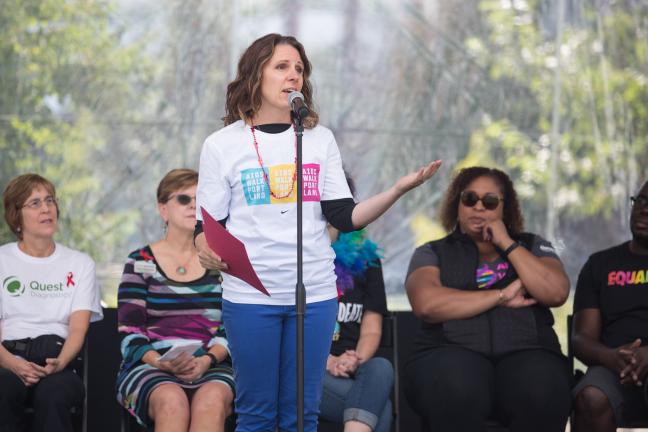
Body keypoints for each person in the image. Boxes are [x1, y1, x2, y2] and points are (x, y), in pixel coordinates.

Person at [194, 33, 441, 432]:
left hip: (314, 294)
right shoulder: (222, 145)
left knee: (301, 416)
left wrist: (397, 190)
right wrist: (205, 248)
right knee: (256, 414)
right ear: (255, 76)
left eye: (299, 69)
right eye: (281, 67)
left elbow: (344, 216)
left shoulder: (319, 139)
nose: (294, 76)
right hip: (250, 296)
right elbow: (206, 225)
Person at [403, 166, 572, 432]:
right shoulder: (432, 252)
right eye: (470, 199)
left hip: (528, 351)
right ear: (457, 204)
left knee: (542, 387)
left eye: (490, 201)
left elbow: (556, 292)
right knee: (455, 385)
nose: (479, 207)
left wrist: (507, 242)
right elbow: (427, 303)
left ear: (505, 209)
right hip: (450, 350)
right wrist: (501, 295)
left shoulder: (532, 245)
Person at [116, 169, 234, 431]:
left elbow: (233, 327)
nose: (193, 205)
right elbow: (129, 333)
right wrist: (160, 362)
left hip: (211, 364)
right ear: (163, 209)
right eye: (183, 199)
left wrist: (206, 360)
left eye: (198, 199)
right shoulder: (139, 262)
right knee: (172, 401)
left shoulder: (220, 262)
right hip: (150, 365)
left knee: (212, 400)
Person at [0, 173, 103, 432]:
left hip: (57, 360)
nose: (46, 208)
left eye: (50, 200)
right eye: (34, 203)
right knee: (4, 389)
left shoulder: (80, 264)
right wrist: (13, 364)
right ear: (16, 215)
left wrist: (59, 363)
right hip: (6, 358)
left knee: (54, 395)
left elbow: (78, 330)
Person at [571, 180, 648, 431]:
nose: (644, 209)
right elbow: (581, 338)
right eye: (641, 200)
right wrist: (612, 357)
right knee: (590, 397)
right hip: (611, 368)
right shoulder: (600, 265)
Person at [318, 222, 393, 432]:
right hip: (309, 370)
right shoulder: (293, 260)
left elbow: (371, 329)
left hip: (352, 366)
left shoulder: (366, 259)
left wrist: (353, 360)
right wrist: (329, 361)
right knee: (382, 409)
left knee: (381, 367)